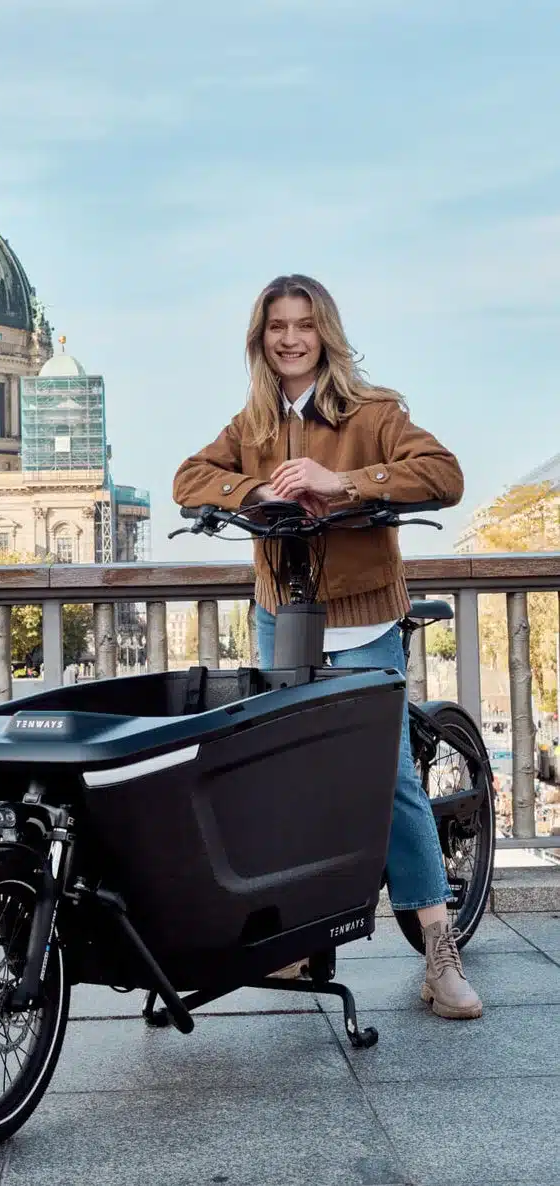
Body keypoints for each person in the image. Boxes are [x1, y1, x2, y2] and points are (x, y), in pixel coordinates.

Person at [173, 273, 482, 1021]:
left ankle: (439, 952)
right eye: (276, 326)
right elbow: (191, 477)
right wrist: (254, 494)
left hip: (364, 620)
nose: (289, 338)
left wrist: (340, 480)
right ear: (261, 339)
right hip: (285, 614)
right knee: (291, 776)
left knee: (387, 781)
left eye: (303, 325)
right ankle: (305, 938)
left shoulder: (374, 412)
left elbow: (443, 475)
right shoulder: (253, 421)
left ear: (325, 333)